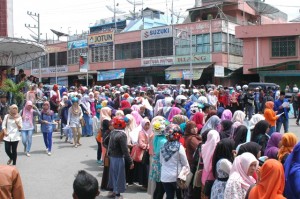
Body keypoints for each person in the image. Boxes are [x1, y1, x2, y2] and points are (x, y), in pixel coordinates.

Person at [107, 116, 134, 199]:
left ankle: (114, 191)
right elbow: (125, 150)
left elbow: (105, 141)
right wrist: (130, 161)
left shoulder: (112, 132)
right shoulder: (122, 135)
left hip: (112, 157)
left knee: (113, 175)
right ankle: (118, 195)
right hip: (119, 157)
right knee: (119, 176)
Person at [160, 123, 189, 199]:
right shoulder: (179, 147)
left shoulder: (163, 147)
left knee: (169, 196)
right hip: (176, 177)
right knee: (180, 196)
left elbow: (161, 162)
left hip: (164, 176)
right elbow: (185, 163)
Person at [150, 116, 168, 199]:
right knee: (161, 189)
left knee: (158, 187)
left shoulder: (156, 137)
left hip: (156, 163)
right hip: (161, 165)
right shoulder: (164, 141)